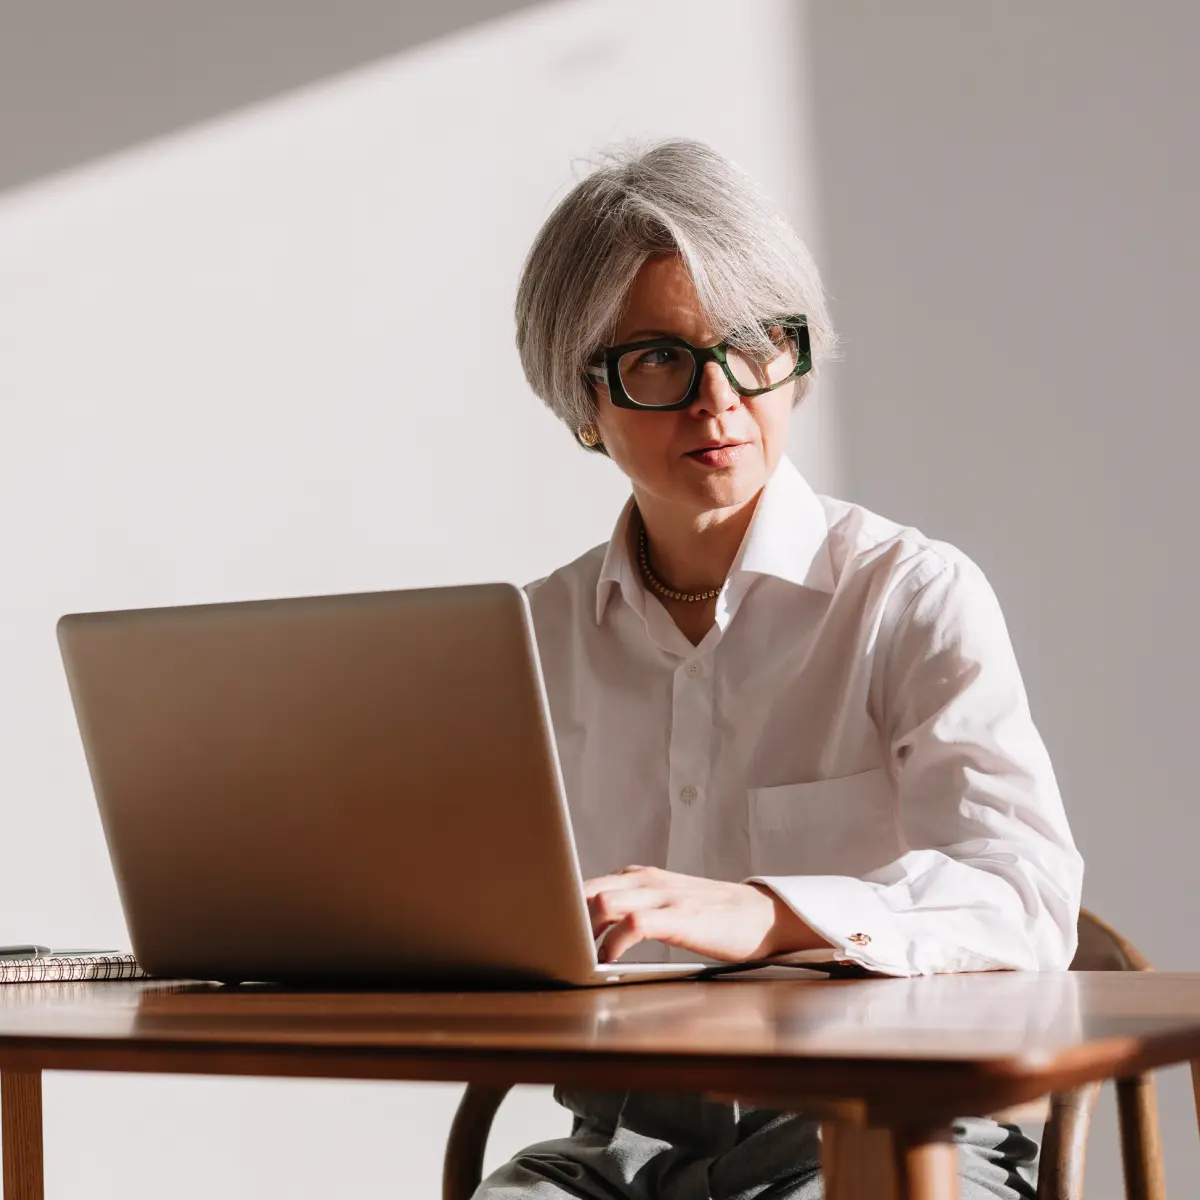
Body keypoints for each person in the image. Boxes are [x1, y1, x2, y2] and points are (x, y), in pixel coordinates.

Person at [475, 138, 1082, 1200]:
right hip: (621, 1143)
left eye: (756, 344)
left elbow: (1022, 896)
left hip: (889, 1121)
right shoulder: (531, 637)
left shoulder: (910, 595)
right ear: (584, 401)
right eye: (658, 359)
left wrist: (769, 911)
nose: (718, 400)